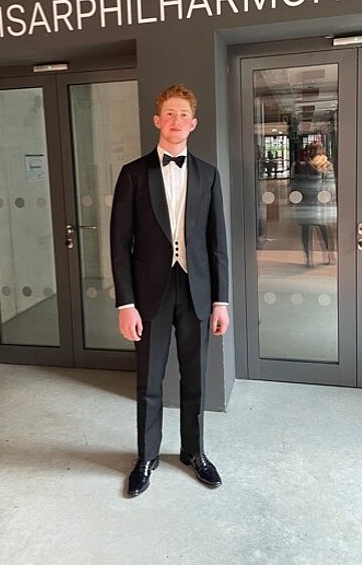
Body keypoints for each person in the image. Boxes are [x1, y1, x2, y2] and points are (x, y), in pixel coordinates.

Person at [110, 84, 229, 497]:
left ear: (193, 124)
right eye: (170, 113)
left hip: (197, 290)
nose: (177, 120)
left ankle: (194, 452)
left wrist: (221, 301)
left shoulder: (208, 175)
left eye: (184, 115)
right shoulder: (133, 174)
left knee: (196, 378)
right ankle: (146, 456)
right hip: (149, 295)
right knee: (149, 380)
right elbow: (119, 244)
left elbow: (217, 244)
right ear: (157, 120)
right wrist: (125, 303)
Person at [290, 142, 336, 267]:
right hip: (319, 203)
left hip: (307, 203)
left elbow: (294, 183)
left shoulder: (301, 165)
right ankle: (327, 255)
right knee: (323, 230)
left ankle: (310, 257)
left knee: (308, 231)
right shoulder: (326, 165)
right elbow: (330, 185)